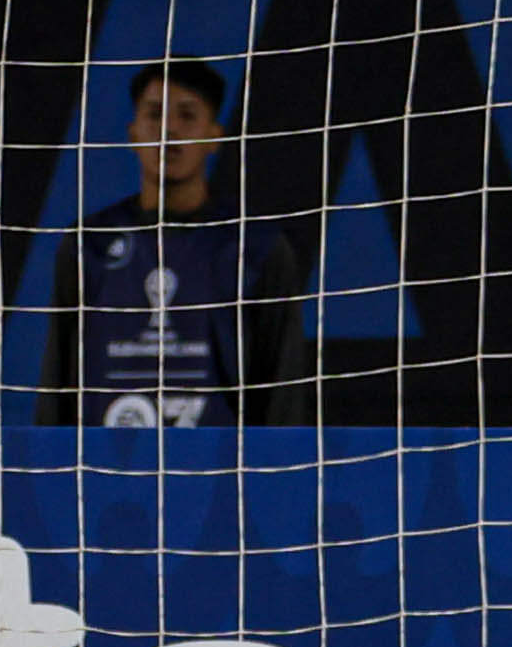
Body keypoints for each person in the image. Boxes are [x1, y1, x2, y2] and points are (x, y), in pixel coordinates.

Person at [38, 59, 310, 427]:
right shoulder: (90, 244)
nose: (170, 130)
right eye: (155, 114)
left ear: (215, 135)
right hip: (105, 474)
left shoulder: (257, 246)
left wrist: (277, 477)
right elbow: (58, 378)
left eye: (187, 115)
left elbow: (284, 389)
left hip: (220, 475)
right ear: (133, 133)